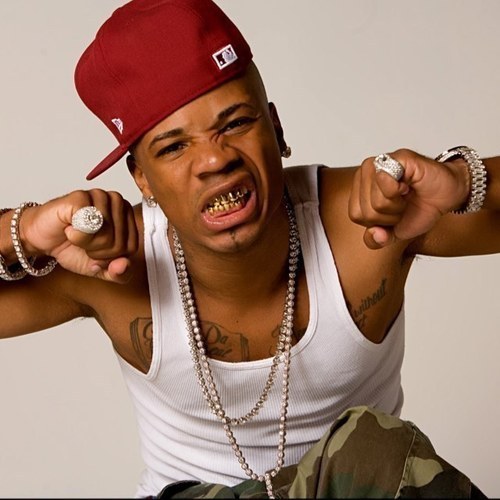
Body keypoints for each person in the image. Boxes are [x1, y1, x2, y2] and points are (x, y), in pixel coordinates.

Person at [1, 0, 498, 497]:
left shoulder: (368, 221)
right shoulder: (111, 264)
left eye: (235, 123)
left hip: (351, 487)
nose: (214, 160)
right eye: (174, 147)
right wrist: (22, 233)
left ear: (276, 129)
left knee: (376, 450)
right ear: (142, 179)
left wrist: (464, 182)